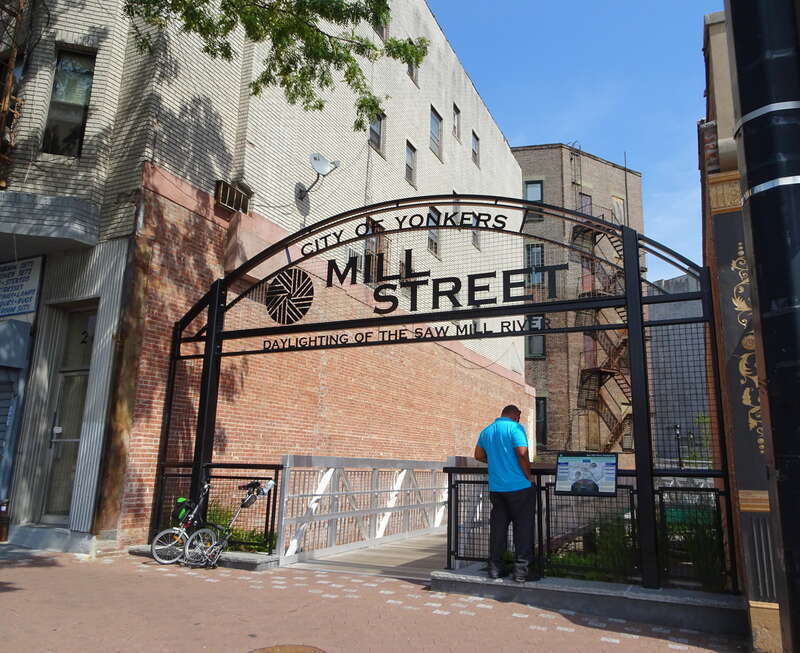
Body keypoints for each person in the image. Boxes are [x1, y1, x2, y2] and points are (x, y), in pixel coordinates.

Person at [474, 404, 535, 582]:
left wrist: (493, 460)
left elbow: (478, 455)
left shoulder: (487, 431)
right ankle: (522, 571)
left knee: (498, 528)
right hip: (519, 486)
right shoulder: (515, 428)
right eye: (519, 417)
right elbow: (522, 453)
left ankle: (495, 568)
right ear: (516, 415)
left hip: (497, 488)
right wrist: (528, 476)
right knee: (523, 528)